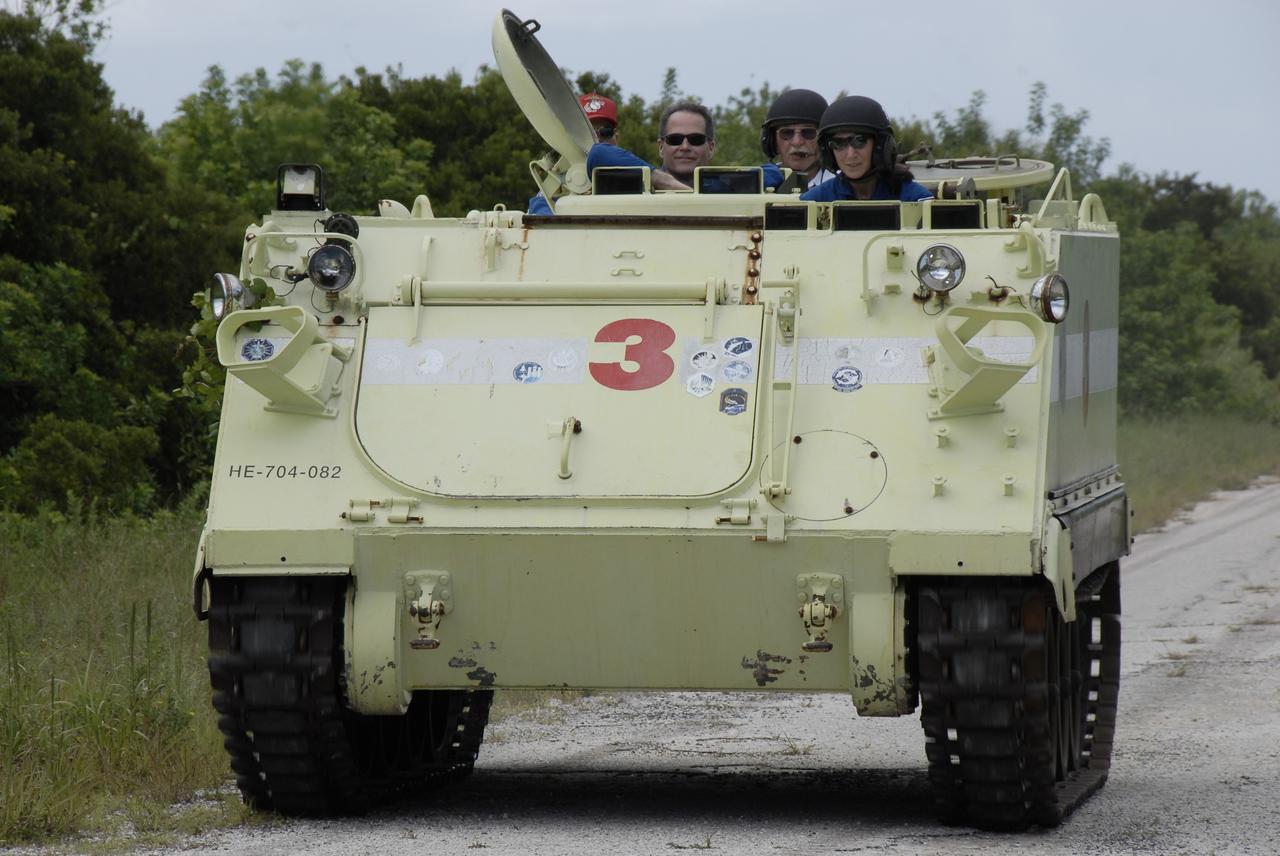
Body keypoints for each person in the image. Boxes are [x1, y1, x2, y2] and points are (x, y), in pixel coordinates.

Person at [800, 96, 932, 202]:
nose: (850, 154)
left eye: (860, 141)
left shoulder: (916, 200)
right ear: (828, 152)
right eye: (838, 143)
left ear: (880, 146)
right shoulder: (815, 201)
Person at [760, 88, 835, 190]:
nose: (797, 142)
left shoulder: (842, 190)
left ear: (824, 141)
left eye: (808, 132)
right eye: (786, 133)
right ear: (773, 142)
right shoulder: (756, 183)